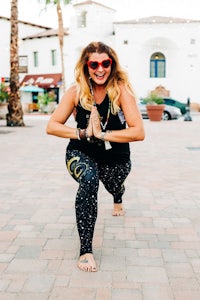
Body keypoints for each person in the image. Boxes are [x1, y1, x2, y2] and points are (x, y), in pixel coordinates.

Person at [46, 41, 145, 272]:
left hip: (115, 156)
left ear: (112, 64)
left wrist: (103, 133)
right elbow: (52, 126)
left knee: (114, 184)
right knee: (89, 180)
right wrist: (83, 133)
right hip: (82, 152)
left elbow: (139, 131)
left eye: (105, 63)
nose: (100, 69)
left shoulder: (121, 91)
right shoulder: (75, 92)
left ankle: (118, 195)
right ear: (86, 66)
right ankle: (86, 250)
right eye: (94, 64)